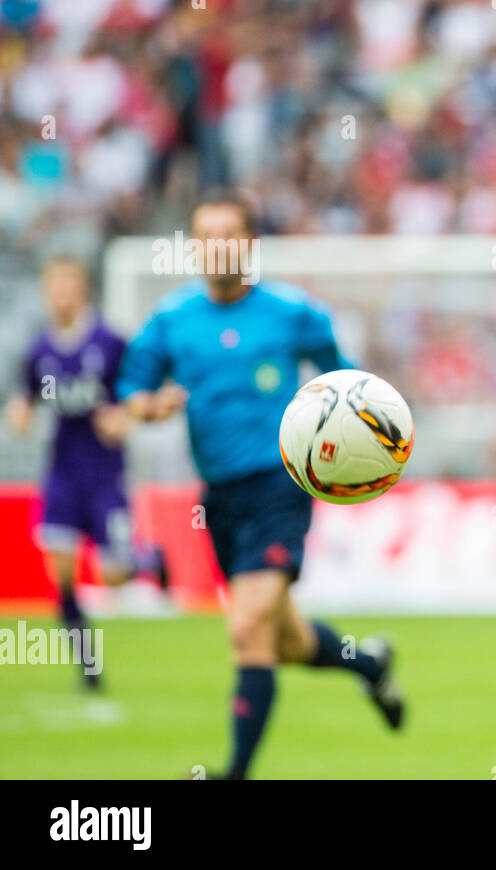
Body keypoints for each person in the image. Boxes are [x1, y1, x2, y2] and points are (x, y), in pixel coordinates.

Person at [116, 190, 404, 779]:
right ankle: (368, 665)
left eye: (229, 234)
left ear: (249, 244)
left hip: (281, 487)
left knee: (247, 629)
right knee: (283, 638)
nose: (217, 247)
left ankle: (233, 774)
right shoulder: (173, 321)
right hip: (219, 498)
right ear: (194, 247)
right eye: (206, 236)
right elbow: (131, 391)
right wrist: (152, 406)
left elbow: (346, 384)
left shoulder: (293, 312)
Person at [6, 256, 168, 689]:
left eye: (68, 287)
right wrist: (19, 413)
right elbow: (25, 396)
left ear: (83, 291)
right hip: (61, 474)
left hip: (106, 476)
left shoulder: (110, 342)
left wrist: (124, 418)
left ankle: (151, 560)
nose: (60, 296)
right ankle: (89, 666)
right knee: (61, 573)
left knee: (110, 575)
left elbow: (135, 393)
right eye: (53, 287)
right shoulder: (40, 349)